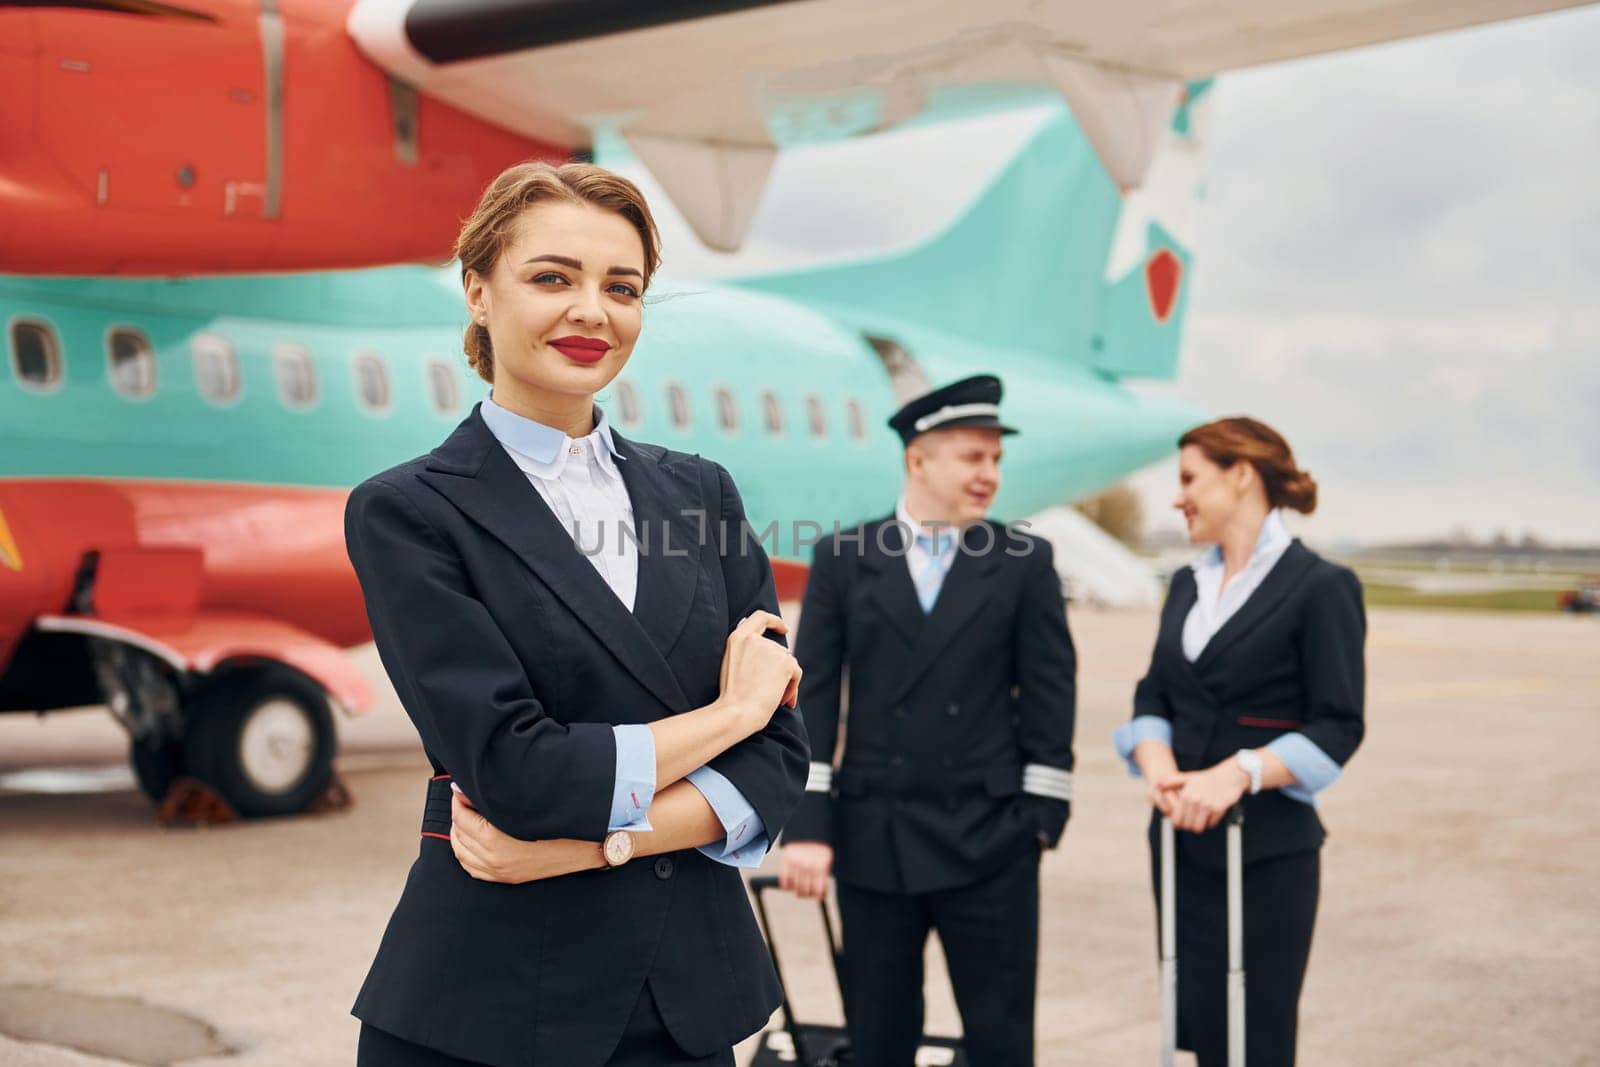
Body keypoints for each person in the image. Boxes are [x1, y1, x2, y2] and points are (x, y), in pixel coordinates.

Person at [343, 161, 809, 1067]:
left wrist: (589, 848)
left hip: (687, 1006)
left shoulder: (701, 493)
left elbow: (782, 760)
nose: (592, 310)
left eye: (622, 287)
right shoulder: (409, 512)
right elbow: (518, 772)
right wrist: (731, 714)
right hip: (490, 1006)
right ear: (478, 290)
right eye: (552, 277)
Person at [779, 374, 1077, 1067]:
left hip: (990, 839)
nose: (990, 475)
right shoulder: (844, 558)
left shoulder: (1024, 562)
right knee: (879, 1039)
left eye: (996, 460)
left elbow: (1051, 693)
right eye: (974, 458)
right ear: (919, 460)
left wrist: (1038, 818)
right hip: (873, 838)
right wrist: (810, 828)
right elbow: (815, 696)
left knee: (1002, 1041)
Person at [1114, 416, 1366, 1067]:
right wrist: (1159, 764)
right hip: (1179, 843)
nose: (1179, 497)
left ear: (1242, 474)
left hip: (1266, 853)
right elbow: (1153, 696)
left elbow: (1339, 724)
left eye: (1190, 479)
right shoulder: (1186, 585)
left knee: (1255, 1042)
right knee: (1198, 1030)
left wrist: (1238, 772)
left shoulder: (1321, 587)